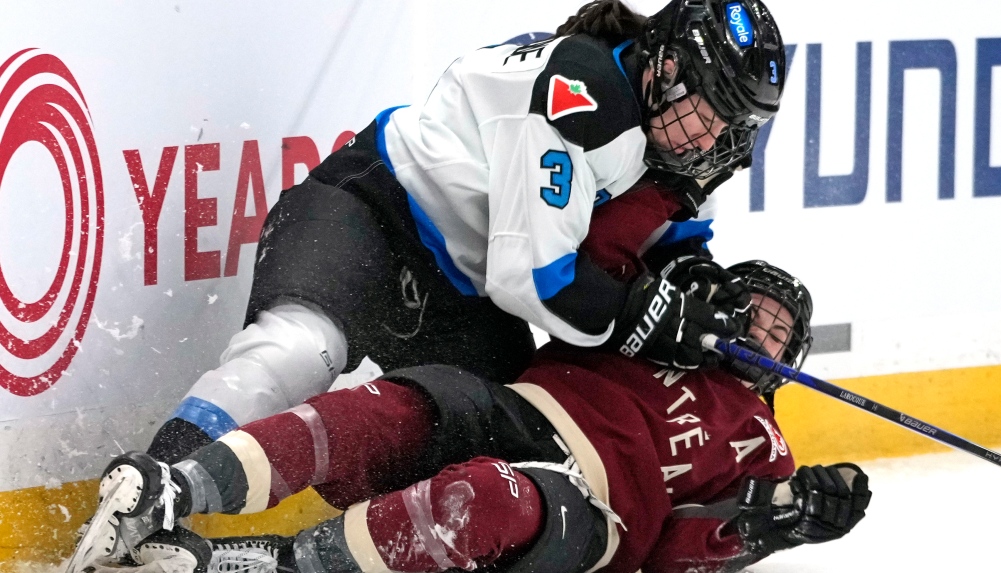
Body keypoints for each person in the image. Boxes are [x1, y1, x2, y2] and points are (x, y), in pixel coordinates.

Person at [145, 0, 788, 466]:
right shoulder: (585, 95)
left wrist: (699, 287)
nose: (711, 141)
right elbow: (534, 279)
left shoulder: (665, 127)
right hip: (371, 212)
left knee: (505, 442)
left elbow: (660, 239)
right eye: (707, 113)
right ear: (666, 67)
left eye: (733, 127)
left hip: (454, 290)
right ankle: (151, 488)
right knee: (296, 350)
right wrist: (645, 315)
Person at [76, 259, 872, 573]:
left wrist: (785, 521)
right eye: (753, 315)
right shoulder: (658, 320)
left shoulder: (761, 442)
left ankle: (254, 567)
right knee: (380, 412)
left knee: (489, 498)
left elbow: (682, 550)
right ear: (718, 303)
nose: (760, 338)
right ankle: (176, 489)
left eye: (779, 336)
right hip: (516, 405)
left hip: (596, 512)